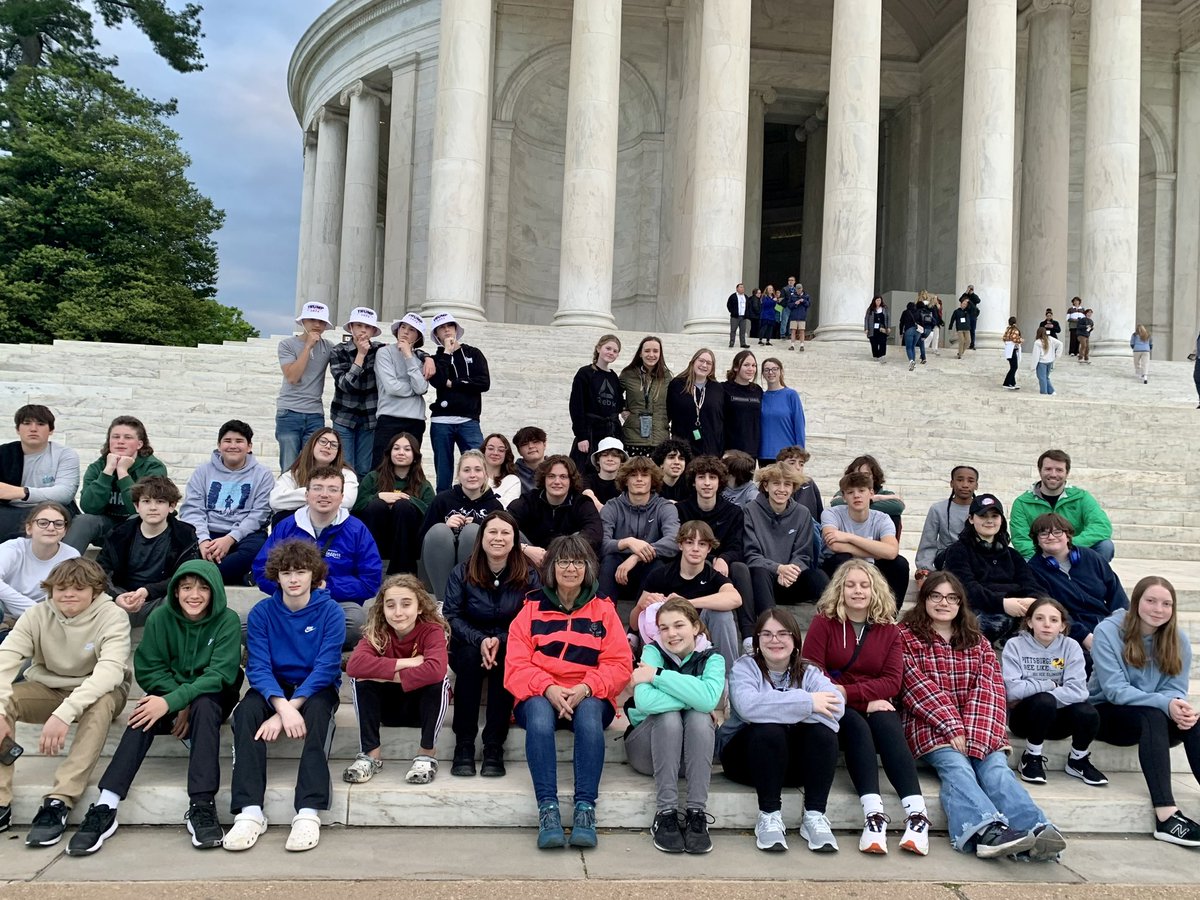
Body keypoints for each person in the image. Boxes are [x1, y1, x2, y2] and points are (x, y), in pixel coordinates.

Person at [65, 560, 242, 855]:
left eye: (202, 588)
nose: (193, 595)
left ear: (214, 593)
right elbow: (150, 669)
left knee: (205, 706)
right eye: (186, 588)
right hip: (167, 694)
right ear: (175, 592)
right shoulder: (161, 618)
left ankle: (201, 804)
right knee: (142, 712)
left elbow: (219, 675)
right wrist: (175, 703)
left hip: (213, 697)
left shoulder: (228, 620)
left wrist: (178, 704)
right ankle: (106, 805)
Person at [898, 572, 1067, 859]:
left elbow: (989, 688)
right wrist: (953, 727)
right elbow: (914, 685)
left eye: (952, 598)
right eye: (935, 596)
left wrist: (974, 734)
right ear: (924, 599)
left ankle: (1036, 829)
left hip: (981, 726)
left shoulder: (976, 640)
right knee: (957, 767)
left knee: (997, 770)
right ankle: (986, 831)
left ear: (960, 603)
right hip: (929, 724)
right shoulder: (904, 636)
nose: (943, 603)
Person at [503, 535, 633, 849]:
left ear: (588, 568)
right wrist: (547, 687)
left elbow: (619, 663)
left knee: (589, 717)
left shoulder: (603, 609)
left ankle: (585, 809)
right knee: (536, 715)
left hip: (588, 693)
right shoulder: (531, 607)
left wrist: (587, 687)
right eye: (563, 561)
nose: (570, 568)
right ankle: (547, 810)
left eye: (577, 562)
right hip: (540, 693)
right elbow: (516, 663)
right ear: (551, 567)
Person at [803, 561, 933, 856]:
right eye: (851, 585)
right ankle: (874, 816)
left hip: (855, 698)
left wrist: (850, 692)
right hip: (833, 704)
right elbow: (812, 671)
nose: (858, 591)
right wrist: (858, 698)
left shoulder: (889, 630)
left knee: (887, 719)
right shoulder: (824, 622)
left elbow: (892, 682)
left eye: (864, 585)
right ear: (840, 589)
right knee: (858, 726)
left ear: (875, 590)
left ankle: (917, 815)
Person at [0, 558, 131, 847]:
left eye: (78, 588)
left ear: (95, 591)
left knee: (101, 703)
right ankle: (0, 801)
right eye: (61, 588)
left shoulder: (112, 615)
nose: (68, 594)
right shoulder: (36, 615)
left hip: (100, 692)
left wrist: (64, 713)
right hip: (49, 687)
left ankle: (59, 801)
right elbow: (5, 660)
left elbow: (109, 672)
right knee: (3, 702)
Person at [224, 540, 344, 854]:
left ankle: (308, 812)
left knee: (318, 715)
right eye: (286, 572)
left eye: (301, 571)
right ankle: (249, 812)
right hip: (273, 686)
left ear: (314, 576)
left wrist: (287, 711)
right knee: (246, 713)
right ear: (276, 576)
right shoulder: (263, 612)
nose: (293, 579)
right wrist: (280, 705)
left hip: (315, 688)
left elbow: (326, 666)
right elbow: (258, 665)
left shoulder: (330, 611)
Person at [716, 608, 844, 853]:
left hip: (792, 766)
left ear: (795, 640)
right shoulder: (744, 668)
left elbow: (836, 707)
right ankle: (769, 815)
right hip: (745, 761)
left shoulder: (809, 671)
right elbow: (748, 707)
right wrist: (808, 703)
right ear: (757, 641)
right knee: (769, 730)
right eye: (767, 634)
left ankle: (815, 816)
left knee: (823, 734)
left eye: (783, 633)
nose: (775, 640)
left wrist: (775, 706)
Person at [1088, 575, 1200, 846]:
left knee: (1194, 720)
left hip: (1153, 720)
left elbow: (1175, 688)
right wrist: (1166, 704)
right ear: (1136, 601)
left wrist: (1179, 707)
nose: (1158, 609)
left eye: (1166, 604)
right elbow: (1115, 690)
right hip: (1106, 713)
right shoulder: (1108, 631)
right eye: (1151, 601)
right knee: (1152, 714)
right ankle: (1165, 815)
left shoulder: (1178, 639)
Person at [443, 511, 540, 778]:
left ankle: (494, 746)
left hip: (512, 642)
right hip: (469, 642)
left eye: (505, 533)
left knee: (507, 659)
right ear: (481, 537)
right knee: (471, 659)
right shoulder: (461, 571)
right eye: (492, 532)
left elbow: (532, 618)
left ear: (514, 539)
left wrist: (501, 640)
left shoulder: (529, 575)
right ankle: (463, 744)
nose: (498, 538)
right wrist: (482, 639)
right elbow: (451, 615)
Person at [625, 597, 725, 854]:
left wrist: (657, 676)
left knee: (700, 719)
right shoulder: (652, 652)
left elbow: (708, 699)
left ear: (695, 627)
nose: (671, 633)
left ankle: (696, 816)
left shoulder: (713, 658)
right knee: (670, 717)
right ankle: (666, 813)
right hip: (647, 751)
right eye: (664, 627)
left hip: (694, 756)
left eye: (678, 625)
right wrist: (695, 698)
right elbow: (645, 701)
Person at [254, 466, 383, 649]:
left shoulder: (357, 530)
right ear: (306, 494)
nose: (324, 494)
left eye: (332, 489)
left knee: (355, 623)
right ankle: (315, 644)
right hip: (289, 603)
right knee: (246, 625)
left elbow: (370, 581)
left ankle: (293, 644)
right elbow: (261, 570)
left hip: (335, 605)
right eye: (317, 488)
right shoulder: (286, 527)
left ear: (341, 496)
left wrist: (326, 587)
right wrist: (293, 588)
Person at [343, 574, 450, 787]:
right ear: (383, 609)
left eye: (406, 604)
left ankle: (426, 755)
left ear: (419, 607)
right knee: (361, 682)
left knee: (439, 683)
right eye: (390, 605)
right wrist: (409, 663)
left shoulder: (432, 630)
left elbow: (436, 670)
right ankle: (371, 755)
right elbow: (354, 667)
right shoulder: (378, 632)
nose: (398, 612)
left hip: (420, 709)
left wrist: (383, 674)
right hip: (388, 709)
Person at [1002, 598, 1107, 788]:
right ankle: (1031, 756)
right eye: (1040, 618)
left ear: (1062, 626)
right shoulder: (1015, 645)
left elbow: (1079, 692)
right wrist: (1051, 684)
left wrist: (1035, 691)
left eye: (1053, 620)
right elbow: (1011, 691)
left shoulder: (1071, 647)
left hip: (1058, 720)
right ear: (1029, 622)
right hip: (1024, 720)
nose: (1047, 625)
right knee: (1043, 701)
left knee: (1088, 712)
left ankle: (1078, 760)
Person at [628, 520, 741, 674]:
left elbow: (735, 599)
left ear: (709, 549)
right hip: (667, 640)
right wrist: (641, 606)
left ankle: (728, 678)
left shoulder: (713, 577)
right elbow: (634, 625)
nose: (695, 549)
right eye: (689, 542)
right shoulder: (661, 574)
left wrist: (686, 603)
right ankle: (654, 675)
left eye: (702, 544)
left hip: (700, 640)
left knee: (723, 614)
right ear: (680, 545)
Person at [179, 420, 274, 586]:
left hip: (243, 535)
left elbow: (260, 514)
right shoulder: (203, 471)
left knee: (258, 549)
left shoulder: (263, 474)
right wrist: (202, 540)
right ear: (219, 445)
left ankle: (201, 578)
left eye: (239, 441)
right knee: (181, 547)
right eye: (228, 441)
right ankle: (233, 575)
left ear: (249, 446)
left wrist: (230, 538)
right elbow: (192, 509)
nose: (233, 446)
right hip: (208, 531)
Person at [940, 493, 1043, 644]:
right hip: (978, 613)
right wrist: (1003, 604)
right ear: (971, 519)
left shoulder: (1012, 554)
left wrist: (1031, 600)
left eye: (994, 516)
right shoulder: (958, 551)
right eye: (983, 516)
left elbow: (1031, 583)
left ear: (1001, 520)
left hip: (1016, 610)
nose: (989, 521)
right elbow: (966, 588)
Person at [98, 476, 200, 627]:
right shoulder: (119, 534)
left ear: (171, 506)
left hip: (160, 598)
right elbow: (100, 571)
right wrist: (117, 596)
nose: (153, 507)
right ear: (137, 506)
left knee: (183, 597)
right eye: (146, 501)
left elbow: (185, 575)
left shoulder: (184, 536)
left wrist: (148, 591)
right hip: (122, 596)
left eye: (160, 501)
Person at [1027, 512, 1127, 657]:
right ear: (1037, 540)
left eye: (1057, 532)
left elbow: (1116, 594)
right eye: (1043, 534)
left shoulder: (1092, 557)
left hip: (1107, 623)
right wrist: (1084, 636)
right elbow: (1052, 611)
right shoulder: (1034, 570)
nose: (1051, 537)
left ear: (1068, 536)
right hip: (1071, 633)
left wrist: (1122, 623)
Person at [675, 456, 754, 637]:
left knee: (740, 568)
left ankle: (749, 634)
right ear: (694, 482)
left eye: (713, 478)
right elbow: (679, 545)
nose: (707, 483)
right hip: (694, 563)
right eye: (701, 477)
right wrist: (712, 559)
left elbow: (737, 546)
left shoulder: (733, 512)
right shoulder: (681, 510)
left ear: (720, 482)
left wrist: (724, 559)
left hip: (726, 565)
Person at [65, 415, 167, 552]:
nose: (121, 441)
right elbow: (89, 507)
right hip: (107, 524)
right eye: (116, 437)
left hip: (141, 527)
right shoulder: (97, 467)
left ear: (140, 444)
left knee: (136, 519)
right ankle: (62, 569)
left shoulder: (153, 468)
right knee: (83, 521)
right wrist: (108, 471)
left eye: (128, 437)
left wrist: (123, 472)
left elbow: (144, 510)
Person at [744, 464, 828, 626]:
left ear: (793, 488)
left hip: (792, 579)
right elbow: (751, 555)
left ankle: (839, 624)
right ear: (766, 486)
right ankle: (769, 627)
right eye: (776, 483)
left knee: (818, 576)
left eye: (787, 484)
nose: (782, 489)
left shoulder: (802, 513)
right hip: (764, 582)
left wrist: (791, 571)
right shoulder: (750, 511)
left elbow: (804, 554)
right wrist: (778, 568)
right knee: (759, 572)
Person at [598, 456, 680, 621]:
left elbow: (674, 540)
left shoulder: (664, 507)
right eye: (633, 475)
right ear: (625, 480)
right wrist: (628, 542)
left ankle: (640, 629)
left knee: (657, 564)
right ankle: (603, 622)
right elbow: (601, 543)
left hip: (648, 569)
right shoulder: (612, 506)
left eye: (644, 475)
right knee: (608, 561)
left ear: (653, 479)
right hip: (617, 572)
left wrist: (636, 556)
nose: (639, 479)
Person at [418, 449, 502, 598]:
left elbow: (504, 542)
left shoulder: (494, 506)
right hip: (437, 573)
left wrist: (480, 526)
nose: (472, 475)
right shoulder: (442, 500)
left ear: (485, 475)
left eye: (478, 470)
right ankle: (443, 602)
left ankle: (470, 596)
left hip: (480, 572)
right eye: (466, 470)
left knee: (472, 531)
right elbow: (421, 539)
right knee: (439, 531)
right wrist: (445, 526)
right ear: (458, 475)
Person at [820, 471, 909, 608]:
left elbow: (891, 552)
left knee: (900, 564)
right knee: (841, 557)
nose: (856, 495)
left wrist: (848, 537)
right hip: (839, 566)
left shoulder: (882, 518)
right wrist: (878, 552)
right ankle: (838, 610)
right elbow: (835, 545)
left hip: (873, 567)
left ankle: (890, 615)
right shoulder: (831, 513)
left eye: (861, 490)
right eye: (850, 492)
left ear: (871, 493)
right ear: (843, 497)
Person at [1009, 449, 1114, 561]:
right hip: (1040, 557)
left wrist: (1066, 547)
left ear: (1067, 473)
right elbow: (1021, 539)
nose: (1053, 474)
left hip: (1075, 552)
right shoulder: (1022, 503)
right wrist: (1046, 554)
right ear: (1040, 471)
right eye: (1048, 469)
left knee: (1105, 546)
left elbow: (1102, 527)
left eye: (1059, 470)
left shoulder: (1082, 497)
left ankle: (1091, 577)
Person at [353, 431, 434, 576]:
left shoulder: (423, 485)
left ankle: (402, 571)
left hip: (408, 544)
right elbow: (356, 507)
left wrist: (408, 500)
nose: (401, 453)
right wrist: (379, 496)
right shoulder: (373, 478)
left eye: (407, 449)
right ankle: (370, 566)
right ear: (389, 452)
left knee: (403, 506)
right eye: (396, 448)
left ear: (415, 456)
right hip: (377, 536)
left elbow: (432, 513)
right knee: (377, 505)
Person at [427, 311, 491, 491]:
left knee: (478, 464)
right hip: (441, 421)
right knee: (444, 471)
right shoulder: (436, 358)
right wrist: (447, 352)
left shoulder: (474, 353)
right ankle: (443, 507)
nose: (446, 330)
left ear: (456, 329)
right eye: (441, 328)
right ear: (436, 334)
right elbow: (437, 381)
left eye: (449, 326)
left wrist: (453, 383)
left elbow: (484, 383)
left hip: (469, 420)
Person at [0, 405, 80, 542]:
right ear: (17, 429)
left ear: (51, 430)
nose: (33, 429)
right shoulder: (4, 453)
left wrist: (22, 492)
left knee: (45, 518)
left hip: (52, 509)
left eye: (41, 424)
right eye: (26, 423)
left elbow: (65, 493)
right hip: (10, 510)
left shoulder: (65, 455)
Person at [510, 455, 602, 565]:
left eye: (563, 477)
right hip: (532, 559)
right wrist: (525, 549)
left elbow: (594, 533)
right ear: (544, 479)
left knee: (579, 538)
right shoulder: (529, 500)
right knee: (509, 530)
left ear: (571, 480)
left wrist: (561, 551)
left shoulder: (582, 503)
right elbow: (501, 523)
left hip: (568, 560)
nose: (557, 481)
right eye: (551, 476)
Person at [276, 301, 333, 472]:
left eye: (321, 321)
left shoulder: (329, 347)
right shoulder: (287, 344)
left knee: (314, 466)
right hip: (289, 412)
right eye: (312, 320)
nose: (317, 325)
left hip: (315, 413)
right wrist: (308, 346)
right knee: (289, 466)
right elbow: (292, 377)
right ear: (303, 322)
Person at [329, 306, 384, 476]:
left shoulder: (381, 350)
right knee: (344, 468)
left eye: (367, 326)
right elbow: (345, 385)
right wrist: (361, 355)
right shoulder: (338, 351)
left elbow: (409, 351)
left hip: (370, 418)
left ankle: (360, 503)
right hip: (344, 416)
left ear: (373, 331)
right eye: (359, 325)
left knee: (364, 469)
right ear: (351, 327)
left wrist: (426, 358)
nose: (363, 330)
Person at [0, 503, 79, 621]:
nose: (51, 528)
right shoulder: (12, 548)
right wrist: (34, 609)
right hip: (6, 614)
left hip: (43, 621)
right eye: (43, 523)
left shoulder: (71, 556)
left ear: (65, 531)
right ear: (29, 528)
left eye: (58, 524)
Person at [373, 312, 432, 465]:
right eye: (403, 327)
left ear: (418, 336)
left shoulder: (421, 358)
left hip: (415, 420)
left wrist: (408, 356)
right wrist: (414, 389)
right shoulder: (384, 352)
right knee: (381, 467)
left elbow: (421, 387)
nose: (405, 331)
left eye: (411, 329)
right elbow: (392, 387)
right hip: (389, 417)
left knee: (411, 470)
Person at [268, 427, 360, 525]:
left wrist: (309, 497)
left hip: (332, 526)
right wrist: (314, 494)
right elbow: (275, 500)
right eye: (323, 441)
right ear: (312, 444)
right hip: (297, 529)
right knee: (281, 517)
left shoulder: (347, 474)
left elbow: (347, 501)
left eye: (334, 445)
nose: (328, 446)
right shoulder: (294, 474)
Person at [568, 334, 624, 475]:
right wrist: (581, 436)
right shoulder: (585, 373)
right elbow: (576, 406)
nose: (611, 352)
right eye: (608, 348)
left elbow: (617, 403)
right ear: (599, 348)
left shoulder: (613, 377)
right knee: (582, 471)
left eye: (615, 351)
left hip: (610, 433)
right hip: (590, 432)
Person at [915, 465, 978, 585]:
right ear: (951, 483)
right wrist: (925, 568)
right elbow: (928, 542)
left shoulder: (983, 510)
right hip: (947, 557)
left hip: (976, 557)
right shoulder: (938, 509)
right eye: (960, 480)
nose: (965, 485)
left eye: (970, 481)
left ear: (976, 485)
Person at [619, 336, 672, 456]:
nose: (651, 355)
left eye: (655, 351)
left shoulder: (667, 377)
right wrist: (622, 408)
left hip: (660, 440)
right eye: (647, 351)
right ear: (640, 354)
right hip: (633, 438)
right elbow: (614, 394)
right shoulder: (628, 374)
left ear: (660, 354)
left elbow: (674, 402)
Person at [666, 348, 724, 457]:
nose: (704, 365)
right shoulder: (677, 385)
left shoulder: (717, 388)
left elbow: (721, 419)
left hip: (710, 449)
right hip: (682, 448)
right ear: (693, 362)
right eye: (701, 361)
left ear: (712, 368)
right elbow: (668, 412)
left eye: (709, 363)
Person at [829, 454, 905, 537]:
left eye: (866, 474)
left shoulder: (885, 494)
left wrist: (858, 504)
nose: (861, 477)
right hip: (849, 535)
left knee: (894, 516)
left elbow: (898, 507)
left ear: (874, 477)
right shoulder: (846, 491)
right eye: (857, 474)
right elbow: (836, 503)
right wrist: (875, 499)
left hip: (878, 539)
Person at [758, 358, 805, 466]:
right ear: (763, 374)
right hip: (764, 455)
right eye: (767, 370)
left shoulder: (791, 395)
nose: (771, 372)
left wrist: (800, 454)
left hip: (787, 456)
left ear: (781, 371)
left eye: (775, 369)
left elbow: (799, 426)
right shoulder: (760, 397)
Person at [723, 350, 762, 458]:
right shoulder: (723, 388)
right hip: (730, 451)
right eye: (746, 365)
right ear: (736, 367)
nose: (751, 369)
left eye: (754, 365)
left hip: (751, 451)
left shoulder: (758, 390)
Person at [776, 446, 823, 522]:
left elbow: (819, 512)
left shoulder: (809, 483)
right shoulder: (773, 485)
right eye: (792, 463)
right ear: (780, 465)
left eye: (801, 464)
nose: (798, 467)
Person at [582, 436, 626, 510]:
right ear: (598, 460)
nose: (610, 459)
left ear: (621, 461)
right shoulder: (588, 479)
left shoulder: (626, 481)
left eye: (615, 456)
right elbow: (587, 492)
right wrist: (601, 508)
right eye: (605, 455)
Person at [481, 433, 522, 508]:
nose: (495, 453)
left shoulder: (512, 481)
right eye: (490, 448)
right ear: (484, 451)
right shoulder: (473, 477)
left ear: (506, 454)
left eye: (501, 450)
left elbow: (505, 508)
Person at [651, 438, 692, 502]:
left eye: (681, 458)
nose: (677, 462)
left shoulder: (691, 486)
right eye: (671, 457)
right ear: (661, 463)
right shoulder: (652, 486)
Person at [512, 426, 547, 494]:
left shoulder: (557, 469)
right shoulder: (511, 472)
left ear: (544, 445)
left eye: (535, 442)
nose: (531, 446)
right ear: (519, 450)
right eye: (525, 444)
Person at [1029, 326, 1063, 396]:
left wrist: (1033, 366)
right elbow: (1060, 344)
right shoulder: (1050, 339)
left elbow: (1036, 355)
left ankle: (1044, 392)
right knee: (1046, 377)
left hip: (1042, 362)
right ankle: (1051, 391)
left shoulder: (1037, 342)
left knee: (1042, 378)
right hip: (1050, 361)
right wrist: (1057, 355)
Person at [786, 278, 811, 351]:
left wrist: (803, 301)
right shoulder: (792, 296)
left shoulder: (806, 296)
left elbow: (808, 304)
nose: (799, 290)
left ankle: (802, 345)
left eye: (800, 289)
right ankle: (792, 345)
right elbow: (789, 305)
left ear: (802, 289)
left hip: (802, 316)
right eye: (797, 289)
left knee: (802, 331)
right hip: (794, 316)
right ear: (796, 289)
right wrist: (795, 303)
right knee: (793, 331)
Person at [864, 295, 890, 362]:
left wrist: (888, 327)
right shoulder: (870, 309)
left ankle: (882, 356)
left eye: (880, 300)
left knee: (883, 342)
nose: (878, 302)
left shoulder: (884, 308)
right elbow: (866, 319)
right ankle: (876, 356)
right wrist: (866, 328)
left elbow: (888, 318)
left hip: (882, 329)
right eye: (877, 300)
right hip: (873, 330)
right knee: (874, 343)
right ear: (874, 301)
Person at [899, 302, 923, 371]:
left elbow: (901, 323)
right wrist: (922, 333)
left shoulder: (905, 312)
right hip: (917, 331)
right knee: (913, 347)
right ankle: (913, 362)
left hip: (909, 330)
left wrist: (901, 332)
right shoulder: (918, 312)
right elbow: (922, 322)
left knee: (908, 348)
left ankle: (911, 361)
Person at [727, 283, 751, 349]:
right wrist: (732, 311)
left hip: (743, 316)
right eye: (740, 287)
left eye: (743, 287)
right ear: (737, 289)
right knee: (733, 330)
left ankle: (743, 343)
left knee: (743, 331)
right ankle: (732, 342)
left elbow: (748, 306)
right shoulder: (733, 296)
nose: (742, 288)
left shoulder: (745, 297)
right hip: (735, 316)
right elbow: (729, 305)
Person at [1002, 316, 1023, 390]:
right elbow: (1014, 339)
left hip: (1008, 349)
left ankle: (1012, 383)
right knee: (1014, 367)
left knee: (1012, 366)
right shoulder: (1015, 330)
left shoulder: (1008, 329)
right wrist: (1020, 340)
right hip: (1013, 350)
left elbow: (1004, 338)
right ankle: (1006, 382)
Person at [958, 283, 981, 349]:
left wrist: (972, 293)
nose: (970, 290)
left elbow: (978, 301)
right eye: (969, 289)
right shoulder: (965, 296)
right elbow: (960, 299)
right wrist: (966, 292)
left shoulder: (974, 296)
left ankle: (972, 344)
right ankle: (965, 343)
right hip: (965, 315)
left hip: (973, 316)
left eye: (971, 289)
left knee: (972, 330)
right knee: (965, 329)